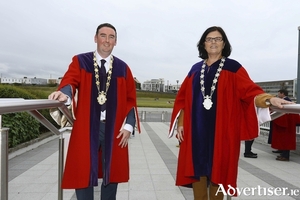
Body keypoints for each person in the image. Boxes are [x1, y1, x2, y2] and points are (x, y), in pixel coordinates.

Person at [168, 26, 293, 199]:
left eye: (217, 39)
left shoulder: (233, 67)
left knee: (219, 171)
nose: (213, 42)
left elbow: (250, 91)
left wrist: (269, 99)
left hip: (222, 132)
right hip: (195, 131)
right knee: (197, 171)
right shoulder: (195, 69)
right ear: (203, 44)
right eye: (209, 39)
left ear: (223, 43)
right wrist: (181, 123)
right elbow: (182, 99)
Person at [48, 23, 140, 200]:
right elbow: (70, 81)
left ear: (116, 41)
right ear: (95, 38)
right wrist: (64, 95)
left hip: (113, 128)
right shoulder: (81, 61)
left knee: (112, 173)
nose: (107, 40)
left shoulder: (122, 68)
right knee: (83, 171)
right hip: (87, 126)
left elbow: (131, 99)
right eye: (103, 36)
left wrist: (129, 125)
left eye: (111, 37)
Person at [269, 89, 300, 161]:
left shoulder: (286, 104)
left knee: (286, 141)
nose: (278, 94)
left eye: (279, 93)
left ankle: (285, 156)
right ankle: (284, 154)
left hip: (287, 125)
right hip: (289, 125)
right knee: (286, 141)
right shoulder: (290, 104)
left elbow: (282, 113)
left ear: (282, 93)